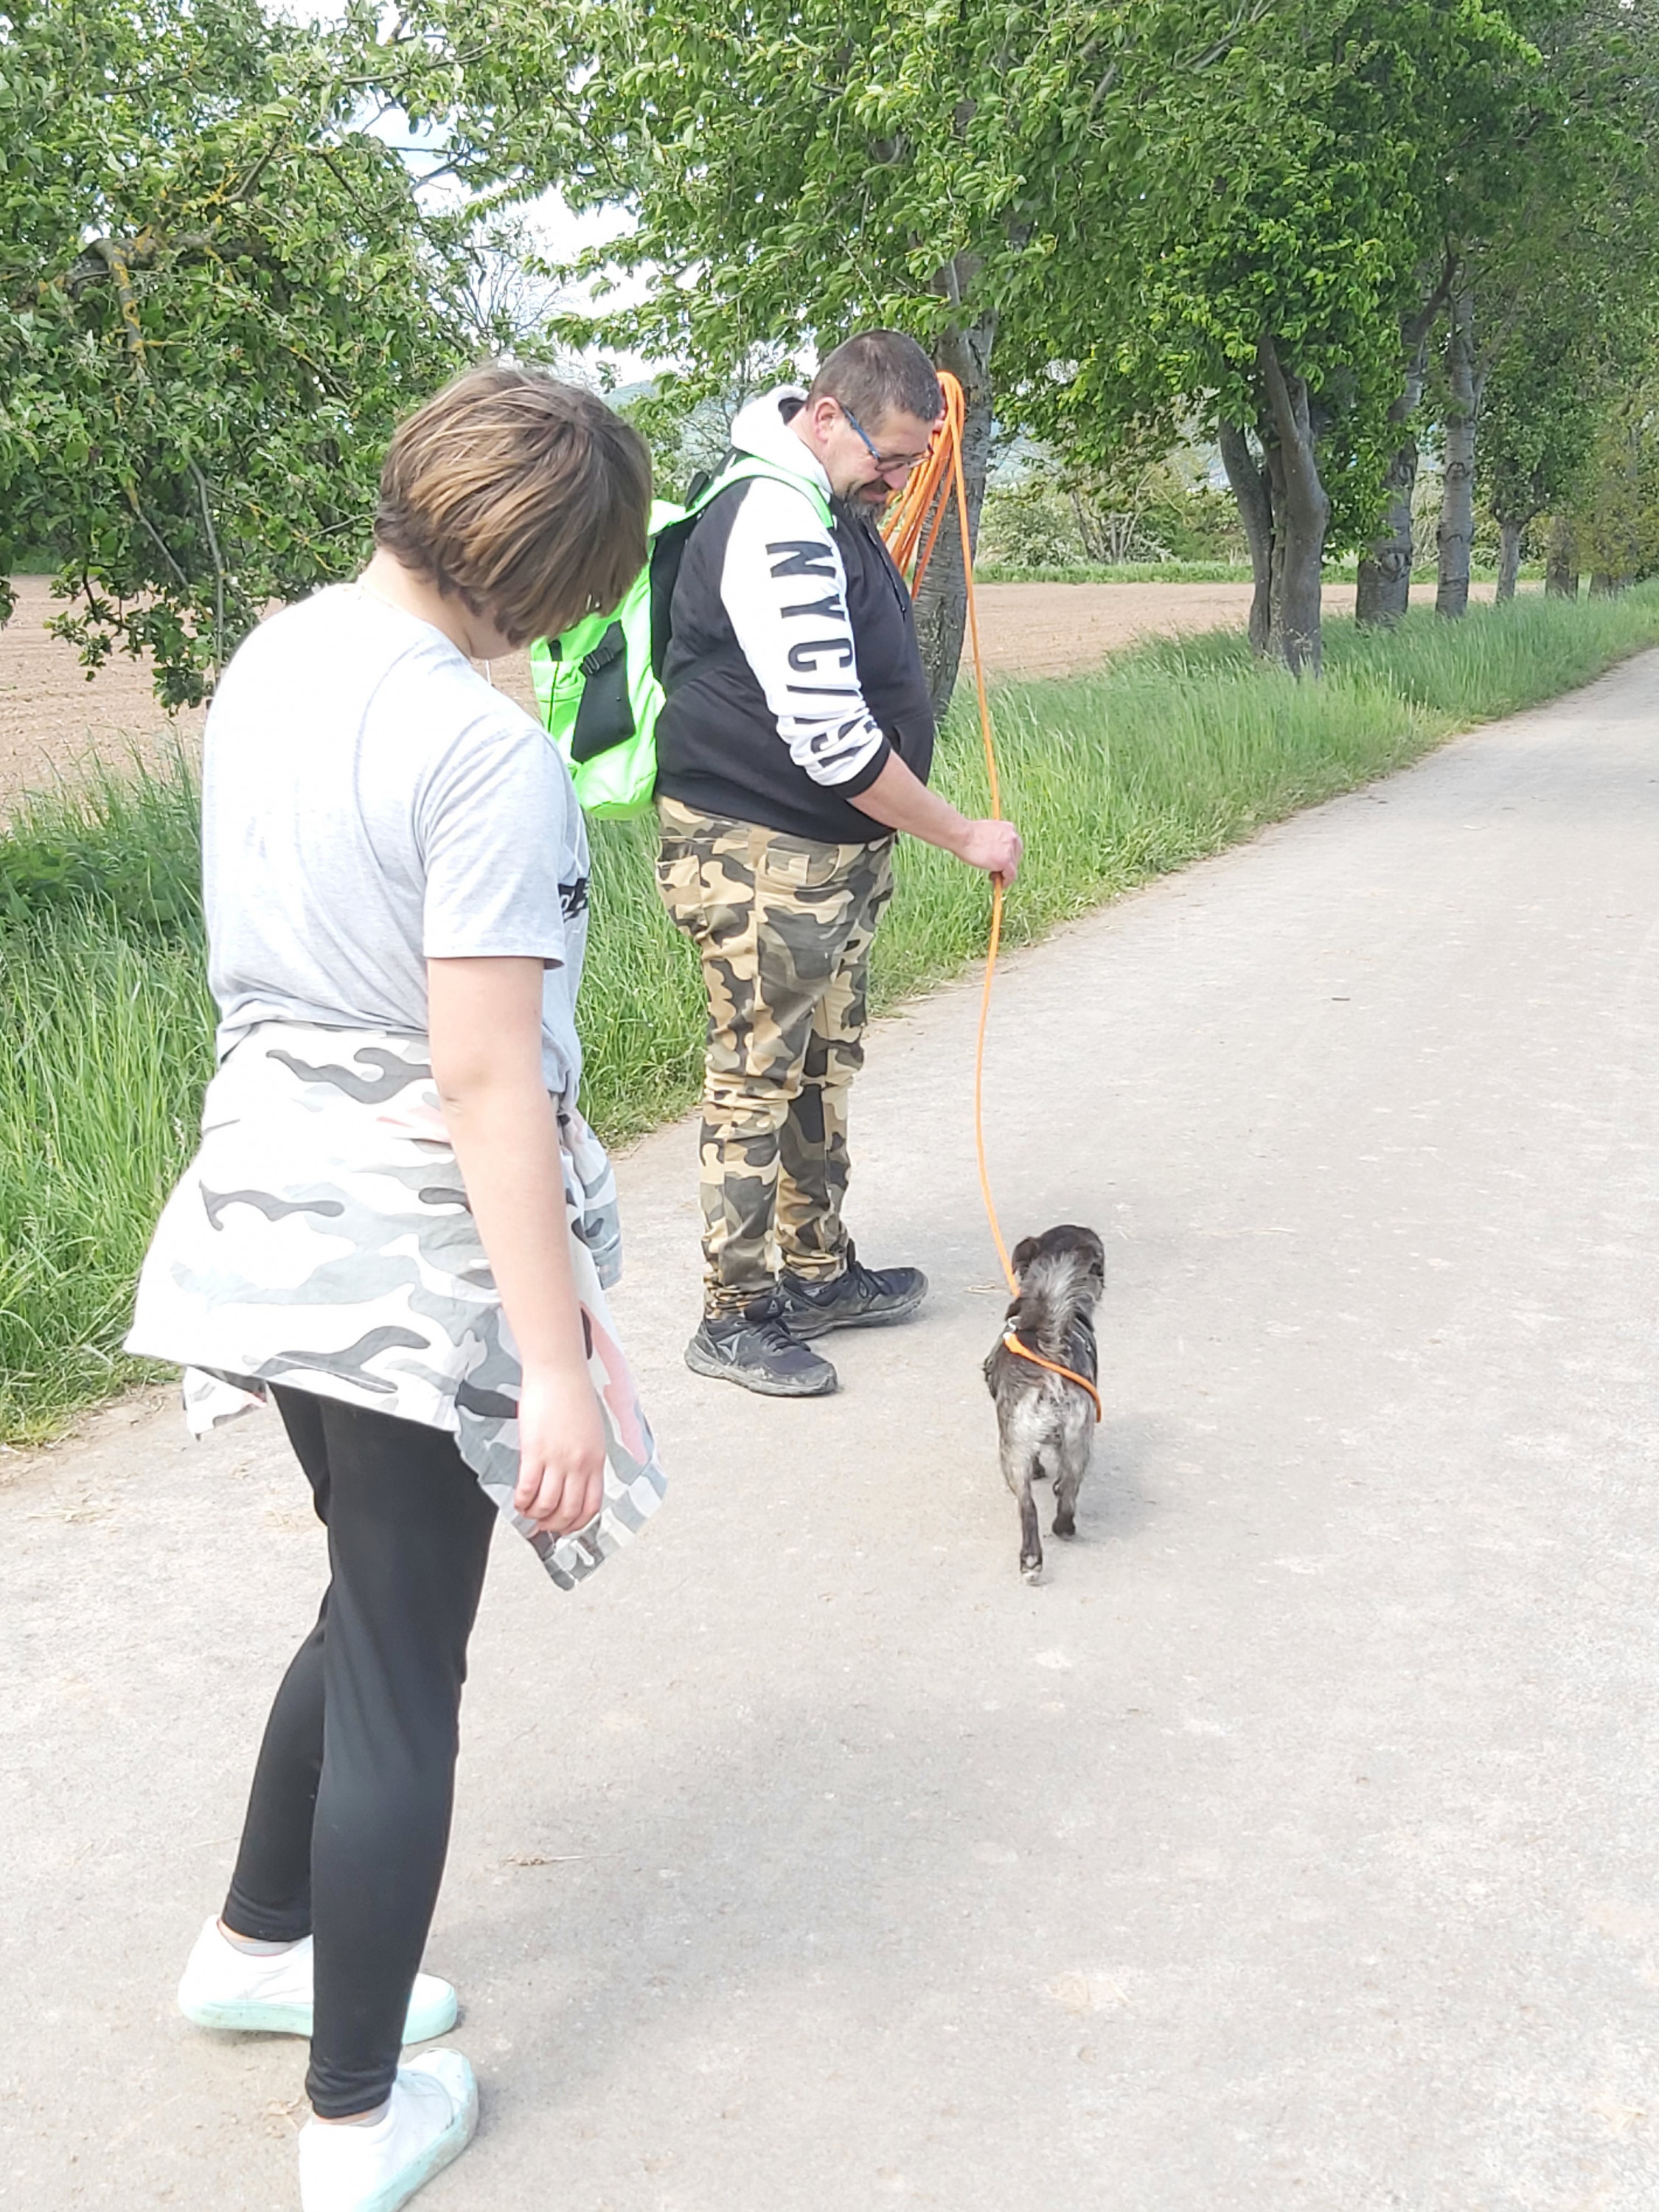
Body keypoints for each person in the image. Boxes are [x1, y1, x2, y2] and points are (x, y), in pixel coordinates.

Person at [125, 367, 662, 2212]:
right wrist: (554, 1364)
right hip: (402, 1252)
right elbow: (485, 1074)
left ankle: (255, 1944)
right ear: (548, 574)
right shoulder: (483, 753)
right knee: (405, 1674)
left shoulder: (275, 655)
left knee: (369, 1610)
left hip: (261, 1207)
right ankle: (354, 2121)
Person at [653, 327, 1023, 1397]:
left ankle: (816, 1273)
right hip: (756, 853)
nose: (899, 482)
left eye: (911, 462)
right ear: (826, 417)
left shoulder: (824, 501)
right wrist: (963, 834)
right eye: (890, 457)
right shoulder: (774, 518)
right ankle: (732, 1314)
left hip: (826, 855)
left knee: (822, 1065)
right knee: (755, 1077)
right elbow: (833, 741)